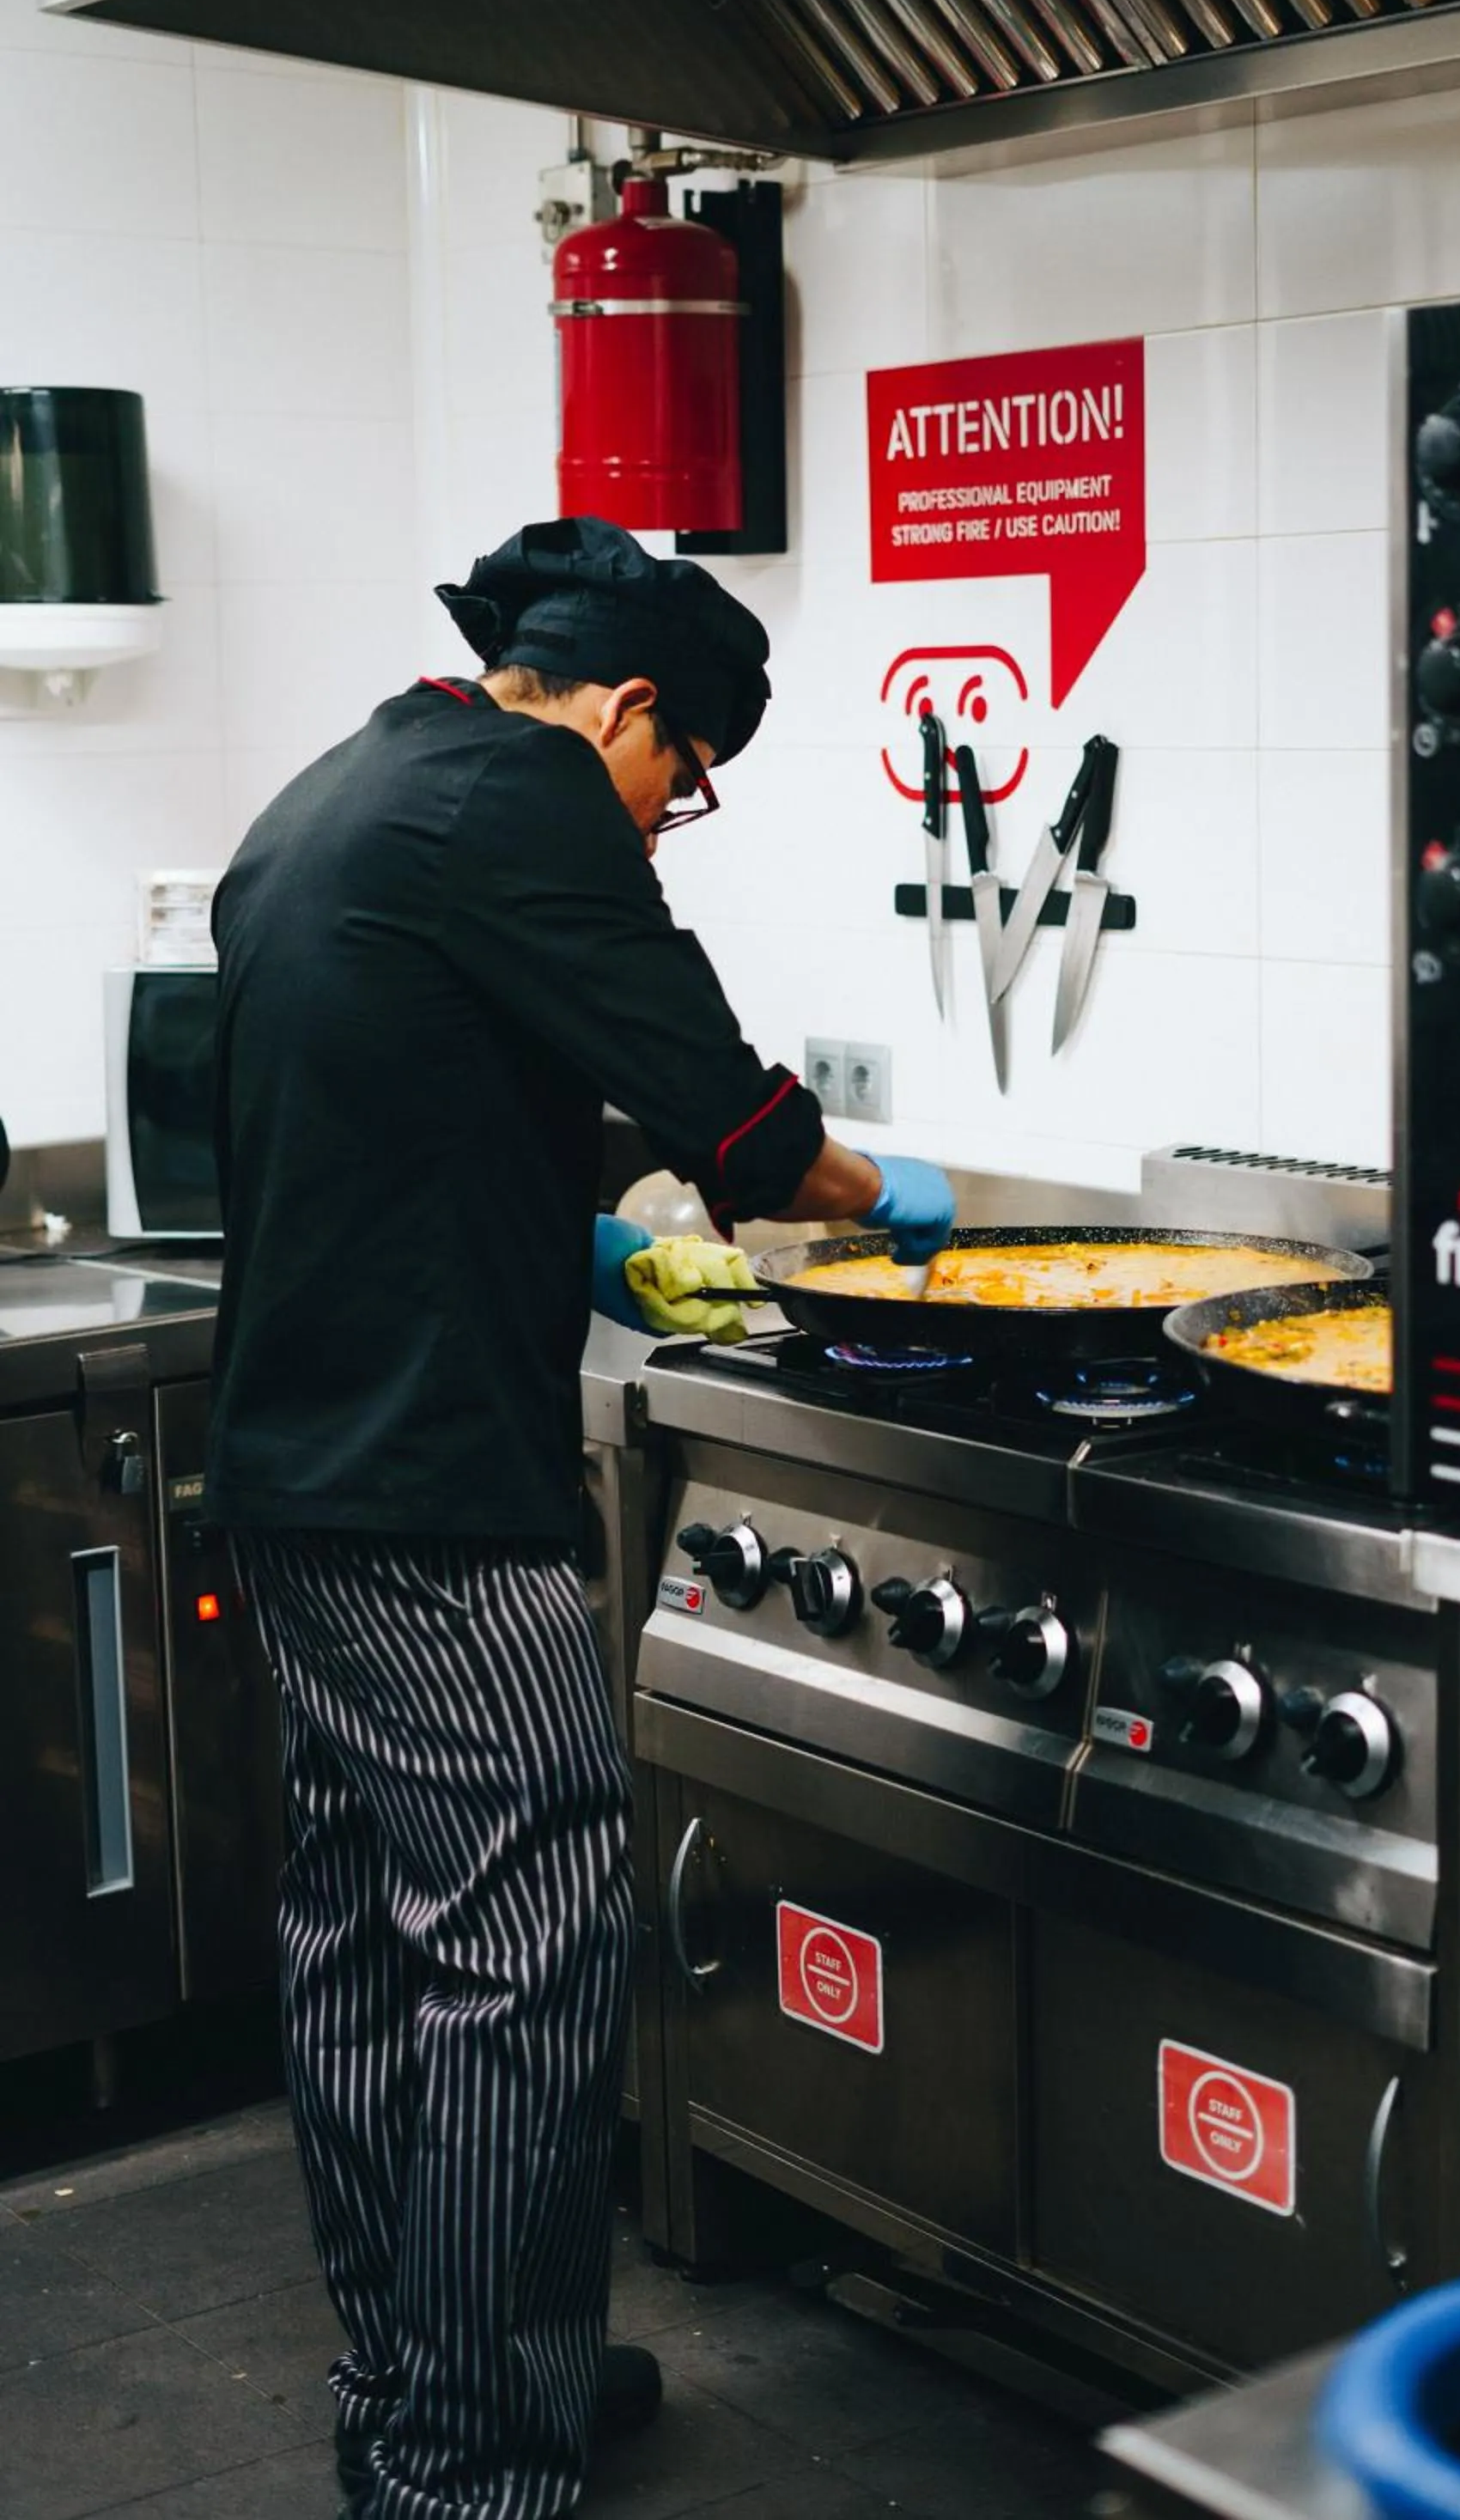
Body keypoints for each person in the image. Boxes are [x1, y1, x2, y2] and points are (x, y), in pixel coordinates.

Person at [204, 515, 956, 2520]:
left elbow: (405, 1101)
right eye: (681, 780)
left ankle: (432, 2372)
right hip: (436, 1500)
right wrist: (888, 1200)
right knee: (531, 1955)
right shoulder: (526, 803)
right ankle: (467, 2462)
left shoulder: (344, 788)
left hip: (299, 1471)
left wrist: (582, 1235)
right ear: (627, 709)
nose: (661, 823)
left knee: (370, 1947)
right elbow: (744, 1129)